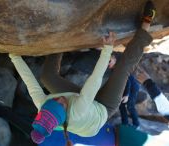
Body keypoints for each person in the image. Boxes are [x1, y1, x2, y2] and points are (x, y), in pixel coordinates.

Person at [9, 0, 155, 144]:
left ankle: (61, 39)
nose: (60, 99)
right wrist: (108, 49)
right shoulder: (77, 111)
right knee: (123, 68)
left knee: (47, 78)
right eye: (62, 105)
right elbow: (95, 79)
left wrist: (13, 55)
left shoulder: (43, 104)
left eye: (54, 100)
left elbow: (29, 81)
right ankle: (146, 23)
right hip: (103, 108)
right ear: (64, 115)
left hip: (83, 103)